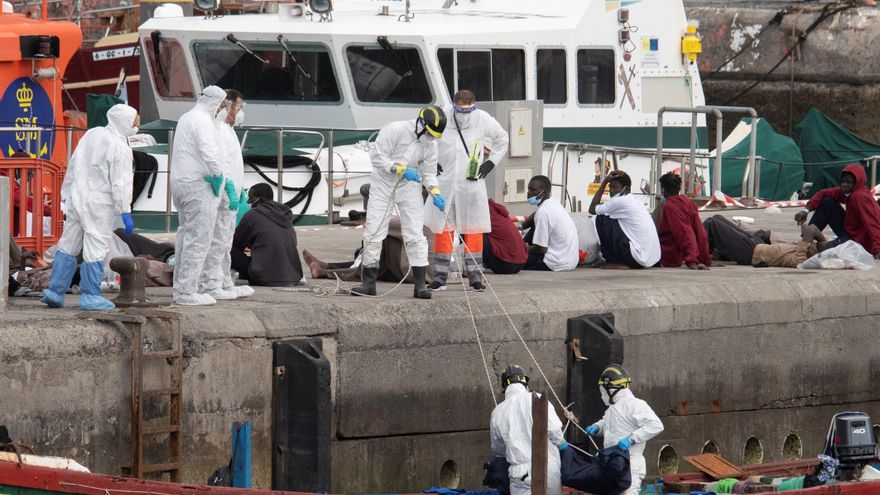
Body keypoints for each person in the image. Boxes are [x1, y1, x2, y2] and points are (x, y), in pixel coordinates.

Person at [41, 104, 139, 310]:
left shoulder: (92, 134)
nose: (136, 126)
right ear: (125, 122)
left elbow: (74, 164)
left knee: (68, 244)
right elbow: (121, 183)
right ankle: (90, 296)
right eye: (134, 123)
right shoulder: (120, 147)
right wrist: (125, 211)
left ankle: (55, 291)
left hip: (77, 197)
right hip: (99, 204)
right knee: (96, 248)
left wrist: (66, 195)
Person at [351, 106, 447, 298]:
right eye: (428, 133)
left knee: (415, 234)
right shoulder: (395, 130)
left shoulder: (430, 144)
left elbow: (428, 173)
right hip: (383, 184)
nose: (430, 138)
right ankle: (368, 283)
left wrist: (435, 192)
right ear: (421, 124)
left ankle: (420, 285)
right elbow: (377, 158)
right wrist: (401, 169)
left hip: (409, 187)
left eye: (433, 136)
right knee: (374, 231)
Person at [425, 90, 509, 292]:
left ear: (475, 105)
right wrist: (431, 161)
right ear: (453, 104)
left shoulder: (483, 119)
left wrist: (491, 163)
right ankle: (439, 277)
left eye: (468, 109)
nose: (464, 114)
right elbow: (426, 137)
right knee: (443, 230)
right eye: (460, 109)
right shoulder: (443, 115)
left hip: (470, 184)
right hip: (445, 182)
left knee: (473, 231)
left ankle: (475, 278)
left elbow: (502, 138)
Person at [170, 85, 228, 306]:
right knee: (199, 238)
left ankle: (181, 288)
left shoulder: (186, 118)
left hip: (181, 184)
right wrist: (219, 175)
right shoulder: (202, 121)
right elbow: (209, 151)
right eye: (222, 104)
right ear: (215, 102)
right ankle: (187, 291)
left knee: (185, 236)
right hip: (198, 185)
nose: (221, 109)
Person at [200, 89, 254, 300]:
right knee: (218, 240)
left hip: (230, 195)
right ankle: (212, 283)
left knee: (226, 240)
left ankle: (224, 280)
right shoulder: (220, 130)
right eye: (238, 108)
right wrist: (230, 190)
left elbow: (232, 163)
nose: (240, 113)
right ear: (229, 107)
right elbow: (222, 164)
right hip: (223, 195)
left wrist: (239, 190)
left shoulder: (229, 130)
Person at [586, 365, 664, 495]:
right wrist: (597, 427)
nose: (603, 395)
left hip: (630, 464)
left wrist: (631, 439)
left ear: (612, 389)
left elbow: (656, 425)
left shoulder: (636, 405)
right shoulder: (613, 408)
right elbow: (609, 425)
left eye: (604, 391)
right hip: (612, 462)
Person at [490, 365, 567, 495]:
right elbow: (555, 431)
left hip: (519, 473)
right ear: (525, 382)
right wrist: (563, 445)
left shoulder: (498, 412)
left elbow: (498, 449)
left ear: (505, 386)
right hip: (547, 467)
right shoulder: (538, 398)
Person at [302, 218, 435, 283]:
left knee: (380, 238)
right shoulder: (428, 223)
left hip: (417, 273)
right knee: (379, 259)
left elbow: (377, 229)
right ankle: (324, 269)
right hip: (427, 274)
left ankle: (356, 274)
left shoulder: (409, 222)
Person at [795, 164, 880, 258]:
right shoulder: (850, 192)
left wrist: (877, 249)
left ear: (856, 183)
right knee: (827, 202)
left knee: (821, 249)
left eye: (848, 182)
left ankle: (810, 241)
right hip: (850, 232)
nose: (844, 185)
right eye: (843, 182)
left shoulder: (859, 197)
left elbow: (873, 224)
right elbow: (824, 192)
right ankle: (807, 239)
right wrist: (806, 210)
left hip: (859, 241)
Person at [232, 183, 304, 286]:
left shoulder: (252, 215)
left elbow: (236, 242)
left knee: (226, 246)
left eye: (251, 198)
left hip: (263, 275)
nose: (248, 202)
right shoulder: (286, 215)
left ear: (260, 199)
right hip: (292, 275)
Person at [589, 170, 660, 269]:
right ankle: (622, 260)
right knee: (608, 217)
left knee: (600, 218)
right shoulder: (634, 200)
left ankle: (613, 261)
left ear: (626, 189)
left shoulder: (620, 201)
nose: (611, 191)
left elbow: (592, 209)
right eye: (610, 187)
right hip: (650, 259)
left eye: (615, 187)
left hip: (637, 258)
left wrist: (604, 182)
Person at [703, 215, 825, 267]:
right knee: (717, 218)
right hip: (756, 244)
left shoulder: (801, 258)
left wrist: (817, 243)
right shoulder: (806, 249)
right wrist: (813, 243)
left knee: (712, 223)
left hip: (750, 252)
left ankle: (700, 257)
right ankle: (711, 252)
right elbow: (806, 228)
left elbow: (812, 229)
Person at [521, 175, 579, 271]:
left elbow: (541, 248)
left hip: (554, 263)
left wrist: (522, 248)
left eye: (533, 190)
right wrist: (520, 227)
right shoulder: (552, 203)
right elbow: (534, 216)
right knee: (535, 227)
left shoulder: (543, 213)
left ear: (545, 192)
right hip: (570, 261)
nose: (528, 193)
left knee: (513, 261)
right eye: (528, 189)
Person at [657, 172, 711, 269]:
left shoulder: (669, 206)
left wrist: (691, 261)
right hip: (681, 254)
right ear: (679, 188)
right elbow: (700, 233)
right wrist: (706, 259)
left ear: (663, 190)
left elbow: (685, 233)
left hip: (670, 257)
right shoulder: (690, 203)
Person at [483, 199, 528, 274]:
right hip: (521, 262)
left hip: (506, 264)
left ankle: (471, 268)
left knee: (473, 233)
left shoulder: (481, 211)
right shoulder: (493, 208)